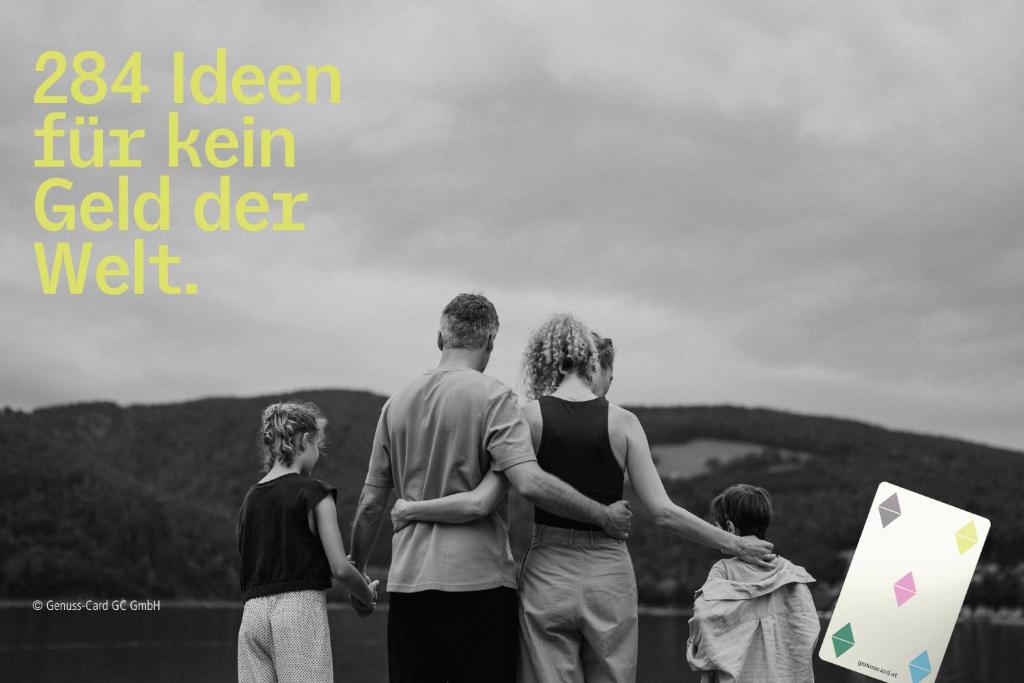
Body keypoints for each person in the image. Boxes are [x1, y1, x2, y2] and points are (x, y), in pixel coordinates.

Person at [393, 314, 775, 683]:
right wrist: (736, 544)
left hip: (547, 572)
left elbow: (484, 499)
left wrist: (413, 508)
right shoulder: (624, 423)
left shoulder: (527, 417)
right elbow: (664, 513)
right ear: (593, 363)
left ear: (547, 361)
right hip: (609, 574)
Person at [348, 294, 633, 683]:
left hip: (410, 585)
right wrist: (602, 514)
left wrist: (358, 578)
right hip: (480, 587)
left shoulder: (395, 404)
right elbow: (528, 481)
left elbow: (369, 505)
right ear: (490, 343)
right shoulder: (496, 398)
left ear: (439, 338)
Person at [236, 401, 379, 683]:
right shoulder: (314, 493)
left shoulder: (250, 498)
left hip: (252, 614)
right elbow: (340, 568)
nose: (318, 455)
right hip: (298, 613)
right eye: (318, 446)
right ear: (305, 440)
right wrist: (366, 594)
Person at [687, 484, 819, 683]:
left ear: (729, 528)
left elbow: (704, 630)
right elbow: (806, 631)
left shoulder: (723, 571)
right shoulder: (791, 573)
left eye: (717, 527)